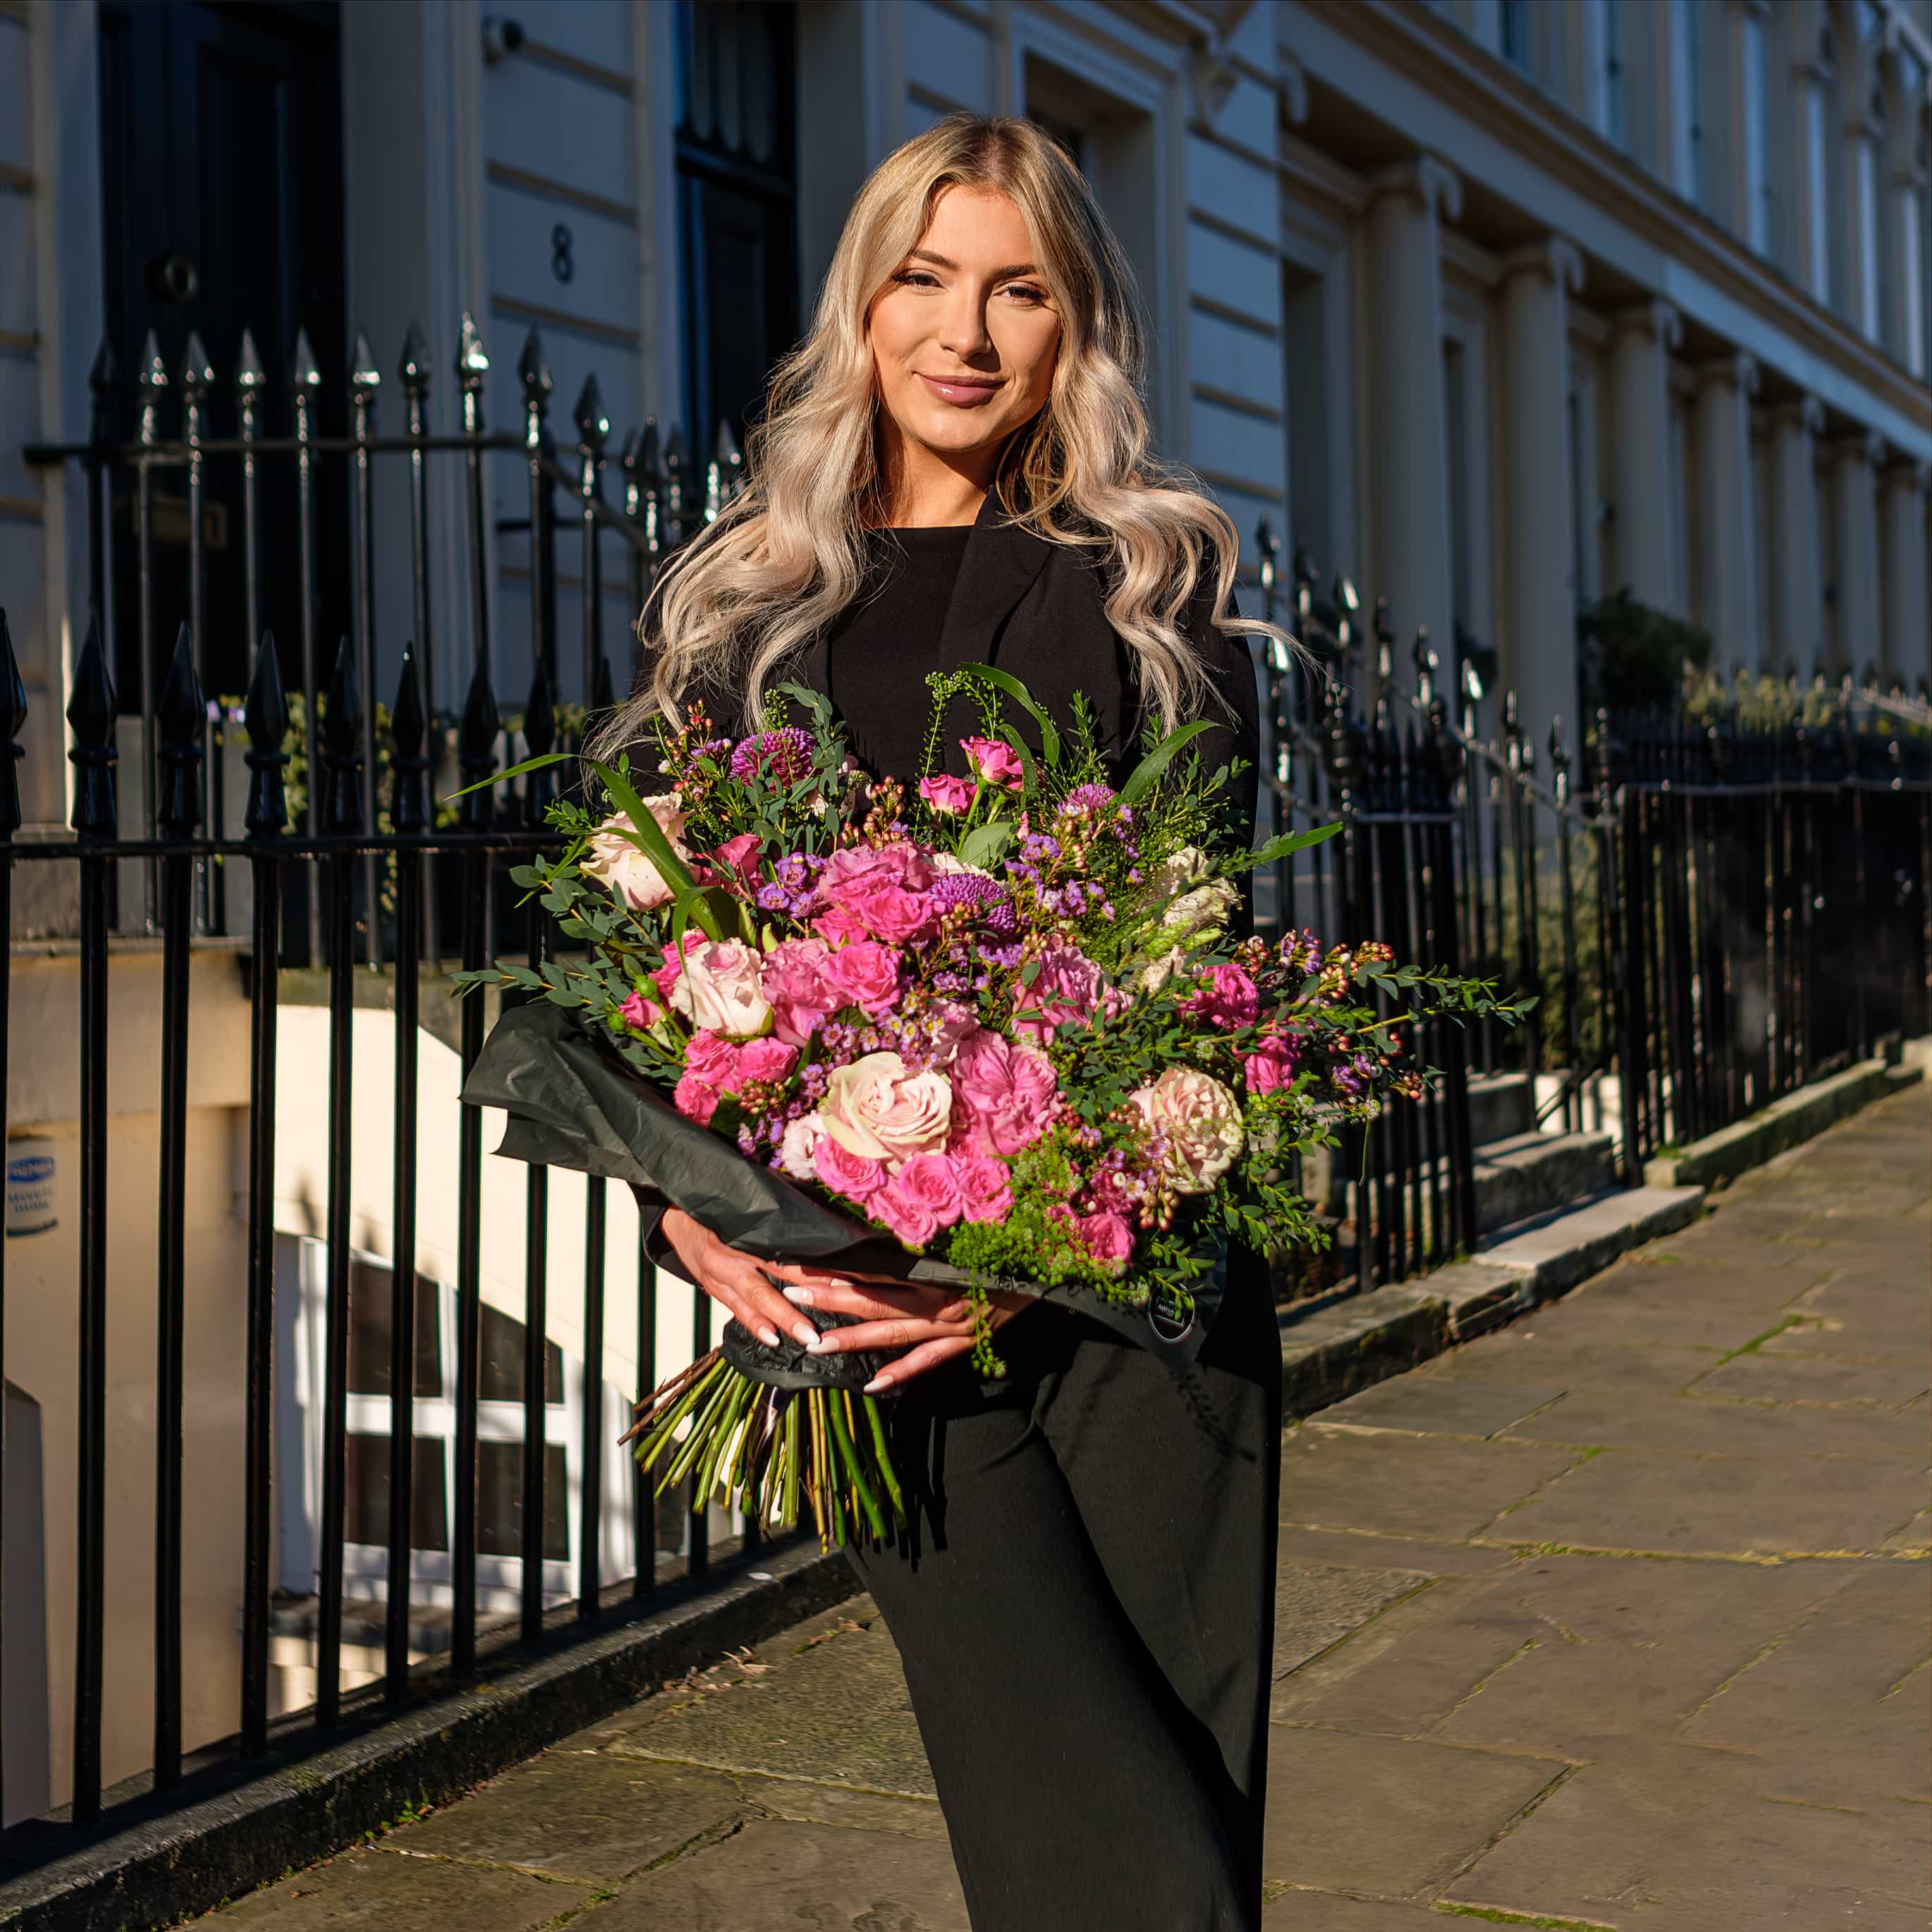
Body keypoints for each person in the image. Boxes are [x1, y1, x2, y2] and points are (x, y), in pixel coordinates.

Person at [598, 112, 1295, 1932]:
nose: (964, 333)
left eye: (1018, 289)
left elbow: (1207, 983)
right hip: (857, 1309)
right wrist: (681, 1204)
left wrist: (1021, 1250)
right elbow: (664, 970)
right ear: (861, 306)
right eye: (922, 279)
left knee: (1167, 1802)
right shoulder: (741, 617)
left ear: (1076, 328)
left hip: (1131, 1312)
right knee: (1097, 1831)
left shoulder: (1154, 602)